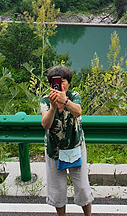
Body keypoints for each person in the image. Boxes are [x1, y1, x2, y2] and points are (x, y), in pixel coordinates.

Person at [40, 65, 93, 216]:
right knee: (57, 190)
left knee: (82, 188)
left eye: (63, 81)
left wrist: (66, 101)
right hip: (54, 150)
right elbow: (46, 124)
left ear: (68, 82)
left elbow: (78, 112)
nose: (59, 85)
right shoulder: (45, 100)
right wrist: (53, 107)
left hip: (75, 147)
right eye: (55, 82)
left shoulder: (74, 95)